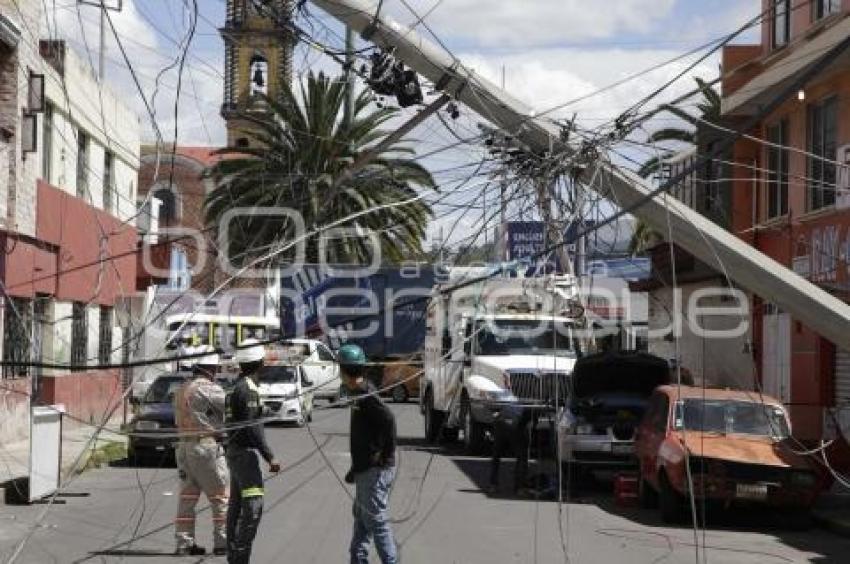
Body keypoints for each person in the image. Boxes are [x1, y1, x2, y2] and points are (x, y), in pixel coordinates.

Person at [339, 344, 398, 564]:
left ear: (343, 370)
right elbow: (365, 435)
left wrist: (385, 455)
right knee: (362, 521)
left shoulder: (366, 394)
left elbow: (389, 420)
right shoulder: (356, 391)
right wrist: (355, 468)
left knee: (377, 522)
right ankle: (357, 559)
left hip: (375, 472)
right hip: (364, 471)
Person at [226, 339, 280, 564]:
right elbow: (252, 428)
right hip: (245, 456)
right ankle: (240, 557)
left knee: (236, 506)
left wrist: (263, 410)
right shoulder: (248, 390)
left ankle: (234, 555)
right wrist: (270, 456)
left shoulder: (237, 386)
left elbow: (246, 417)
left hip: (234, 453)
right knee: (252, 507)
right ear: (260, 363)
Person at [173, 346, 229, 556]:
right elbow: (230, 407)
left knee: (187, 498)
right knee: (220, 496)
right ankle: (222, 542)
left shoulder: (181, 390)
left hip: (184, 448)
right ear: (210, 368)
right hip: (206, 448)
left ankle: (184, 543)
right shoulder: (211, 389)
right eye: (215, 368)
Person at [489, 403, 535, 495]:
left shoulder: (510, 390)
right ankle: (520, 487)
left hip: (501, 420)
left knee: (496, 454)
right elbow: (531, 414)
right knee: (522, 456)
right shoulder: (531, 393)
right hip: (517, 421)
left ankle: (493, 485)